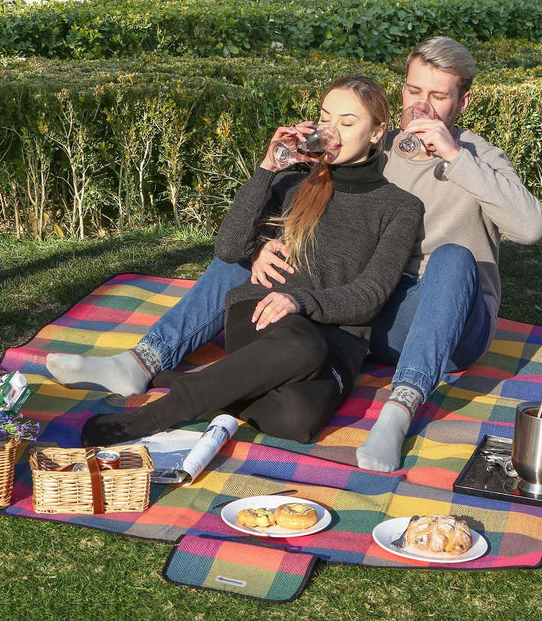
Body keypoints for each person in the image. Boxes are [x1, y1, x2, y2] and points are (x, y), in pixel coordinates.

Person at [50, 37, 542, 470]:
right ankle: (143, 359)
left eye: (438, 96)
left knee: (453, 258)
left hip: (442, 316)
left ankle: (400, 408)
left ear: (463, 100)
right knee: (253, 255)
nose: (421, 107)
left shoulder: (476, 156)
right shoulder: (373, 143)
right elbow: (302, 221)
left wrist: (455, 156)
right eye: (413, 91)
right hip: (365, 305)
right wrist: (263, 245)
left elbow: (530, 229)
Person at [78, 76, 423, 447]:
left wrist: (302, 301)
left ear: (377, 131)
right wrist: (267, 169)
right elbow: (228, 248)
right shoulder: (293, 183)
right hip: (261, 316)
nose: (331, 131)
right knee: (300, 344)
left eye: (347, 122)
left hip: (339, 339)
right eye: (325, 119)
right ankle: (156, 416)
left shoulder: (401, 207)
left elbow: (370, 294)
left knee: (299, 421)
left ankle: (210, 383)